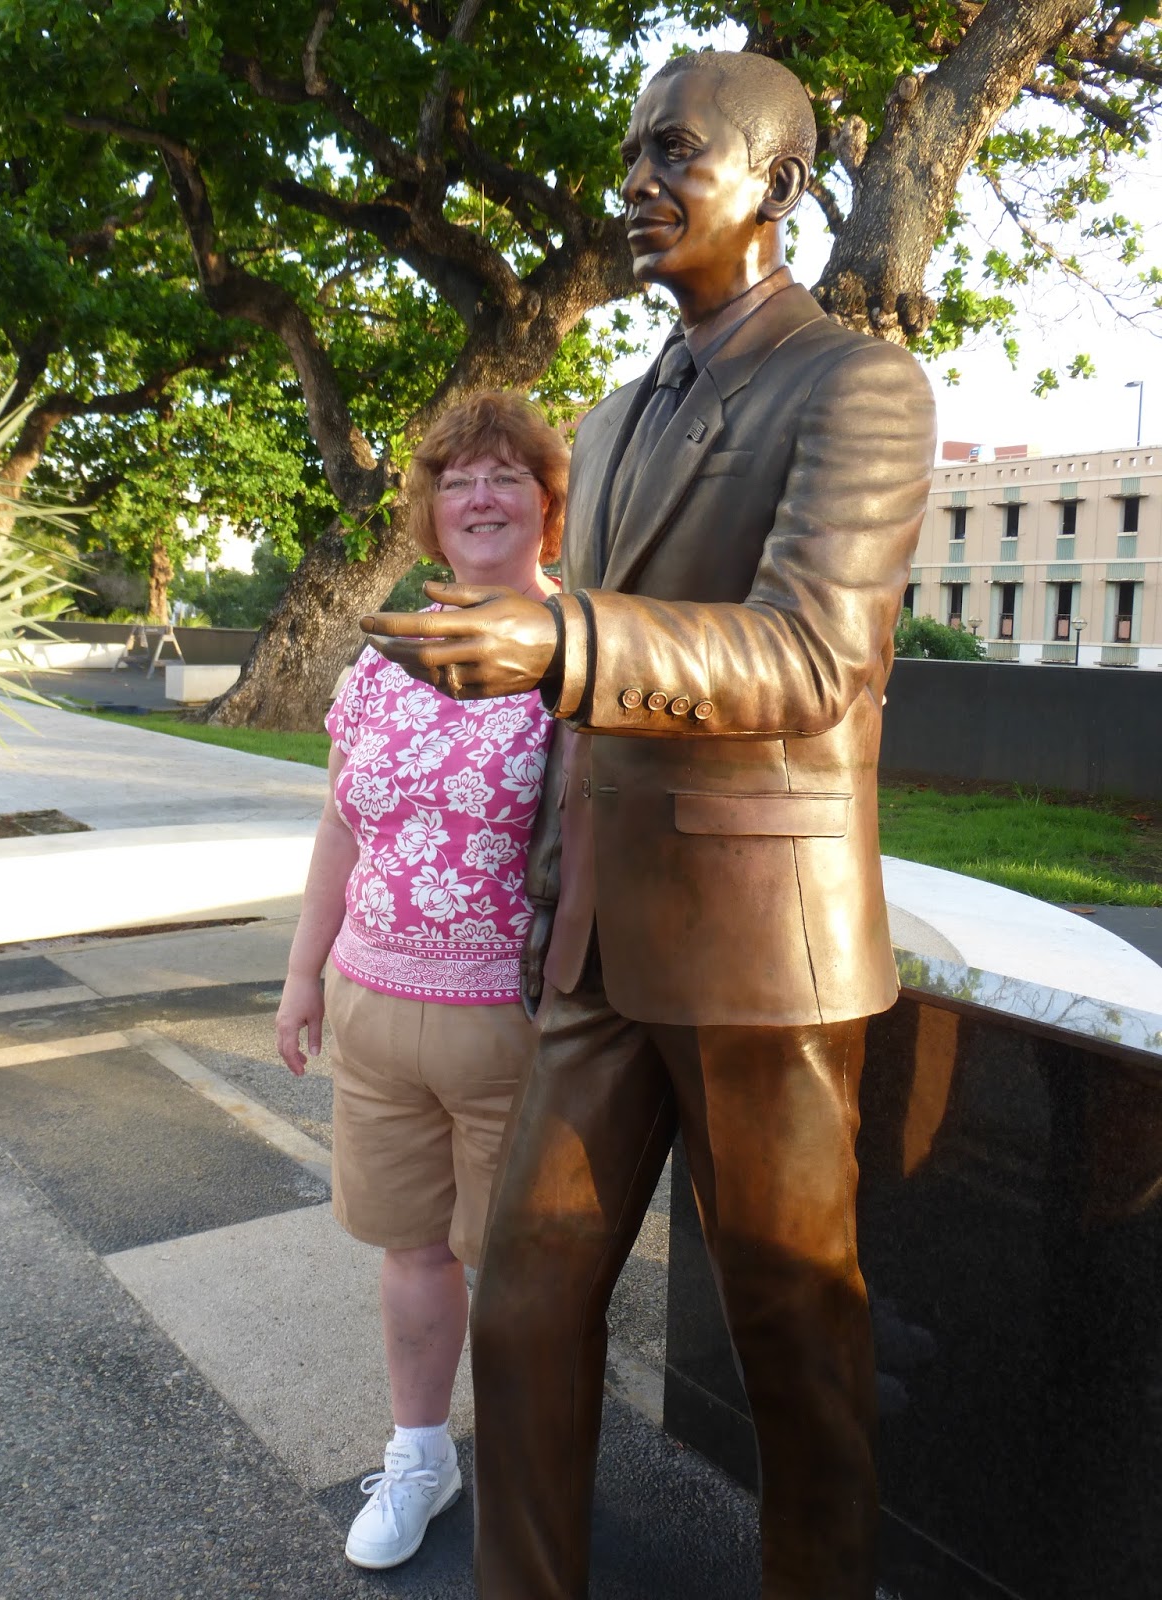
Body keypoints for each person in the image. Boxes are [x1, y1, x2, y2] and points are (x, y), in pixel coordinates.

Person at [362, 50, 936, 1600]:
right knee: (526, 1309)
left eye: (675, 151)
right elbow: (588, 696)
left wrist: (562, 643)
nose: (634, 183)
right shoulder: (609, 422)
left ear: (785, 188)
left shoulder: (860, 385)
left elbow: (818, 653)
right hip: (598, 947)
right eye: (629, 154)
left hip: (767, 955)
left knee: (793, 1335)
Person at [275, 390, 567, 1573]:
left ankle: (536, 1469)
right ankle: (420, 1454)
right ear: (429, 508)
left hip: (518, 1022)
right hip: (375, 1011)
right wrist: (303, 980)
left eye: (506, 473)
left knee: (525, 1271)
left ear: (549, 500)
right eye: (457, 477)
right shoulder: (386, 657)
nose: (481, 494)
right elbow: (344, 831)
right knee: (410, 1252)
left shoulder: (581, 657)